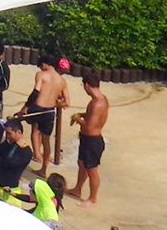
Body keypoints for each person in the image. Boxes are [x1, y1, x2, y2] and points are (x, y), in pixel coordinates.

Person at [24, 56, 70, 173]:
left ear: (44, 64)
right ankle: (44, 169)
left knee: (35, 130)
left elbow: (35, 92)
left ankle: (37, 155)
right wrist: (55, 102)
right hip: (50, 110)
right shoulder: (62, 81)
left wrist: (25, 107)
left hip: (38, 107)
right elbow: (67, 102)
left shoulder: (41, 74)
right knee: (46, 140)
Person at [69, 71, 109, 207]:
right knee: (82, 164)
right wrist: (81, 114)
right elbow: (91, 115)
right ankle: (77, 189)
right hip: (88, 139)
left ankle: (92, 198)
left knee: (92, 170)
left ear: (86, 85)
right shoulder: (102, 99)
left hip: (92, 140)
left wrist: (77, 119)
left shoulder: (96, 103)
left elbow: (89, 126)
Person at [0, 118, 34, 196]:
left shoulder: (26, 152)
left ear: (18, 132)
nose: (7, 136)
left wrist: (15, 147)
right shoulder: (8, 144)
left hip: (11, 191)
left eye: (9, 133)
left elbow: (8, 162)